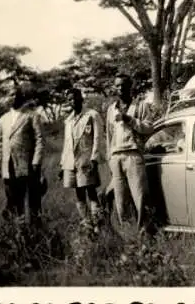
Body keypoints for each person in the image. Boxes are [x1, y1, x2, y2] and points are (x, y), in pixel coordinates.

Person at [106, 76, 154, 234]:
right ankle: (128, 236)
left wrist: (129, 119)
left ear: (130, 87)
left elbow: (148, 128)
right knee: (120, 201)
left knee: (140, 197)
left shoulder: (140, 106)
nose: (120, 89)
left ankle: (144, 234)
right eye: (117, 86)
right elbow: (109, 136)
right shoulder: (111, 109)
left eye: (123, 85)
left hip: (133, 155)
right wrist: (110, 159)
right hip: (116, 157)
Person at [0, 84, 44, 225]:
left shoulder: (32, 116)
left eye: (13, 95)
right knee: (13, 197)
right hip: (8, 165)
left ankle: (36, 227)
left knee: (33, 198)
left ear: (20, 97)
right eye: (8, 95)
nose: (11, 98)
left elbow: (39, 140)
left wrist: (36, 161)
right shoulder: (3, 119)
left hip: (27, 164)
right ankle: (18, 228)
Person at [58, 88, 104, 233]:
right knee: (78, 194)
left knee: (91, 191)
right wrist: (62, 164)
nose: (72, 101)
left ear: (80, 98)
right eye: (69, 99)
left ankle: (98, 224)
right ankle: (86, 223)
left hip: (86, 160)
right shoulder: (69, 120)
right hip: (71, 162)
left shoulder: (92, 115)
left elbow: (98, 138)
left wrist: (94, 158)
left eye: (74, 98)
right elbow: (67, 144)